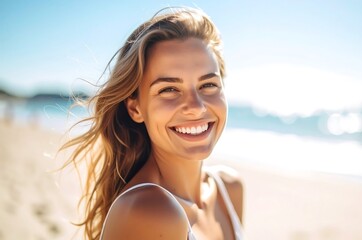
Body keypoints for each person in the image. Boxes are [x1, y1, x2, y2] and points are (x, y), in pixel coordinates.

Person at [62, 7, 245, 240]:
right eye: (169, 89)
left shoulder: (229, 188)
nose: (197, 106)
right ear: (135, 108)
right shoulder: (148, 211)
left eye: (208, 85)